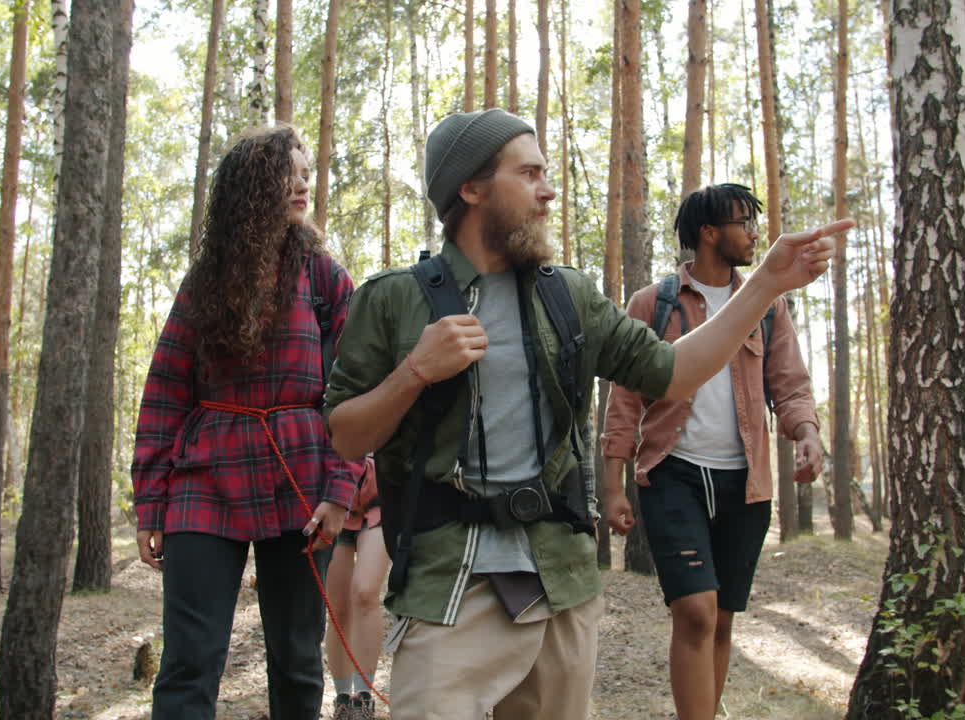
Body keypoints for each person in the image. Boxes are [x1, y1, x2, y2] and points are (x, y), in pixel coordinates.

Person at [321, 108, 850, 720]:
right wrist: (415, 370)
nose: (549, 189)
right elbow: (344, 437)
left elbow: (672, 372)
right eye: (530, 173)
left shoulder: (567, 294)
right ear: (471, 189)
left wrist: (762, 285)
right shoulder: (392, 299)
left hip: (561, 583)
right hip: (449, 584)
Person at [131, 124, 360, 720]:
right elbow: (164, 393)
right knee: (189, 663)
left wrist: (340, 491)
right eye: (292, 171)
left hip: (302, 481)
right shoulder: (206, 280)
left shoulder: (324, 278)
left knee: (296, 659)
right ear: (254, 184)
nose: (305, 183)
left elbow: (354, 393)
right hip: (206, 481)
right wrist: (150, 504)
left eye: (309, 173)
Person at [602, 183, 825, 720]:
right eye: (743, 222)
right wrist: (612, 485)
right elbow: (624, 400)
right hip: (671, 473)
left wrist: (808, 432)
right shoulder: (652, 304)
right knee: (697, 613)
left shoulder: (768, 306)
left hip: (744, 481)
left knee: (722, 617)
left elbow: (789, 384)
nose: (753, 233)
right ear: (708, 232)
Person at [324, 455, 389, 720]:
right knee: (337, 608)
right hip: (332, 501)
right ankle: (342, 701)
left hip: (379, 502)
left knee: (365, 593)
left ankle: (363, 700)